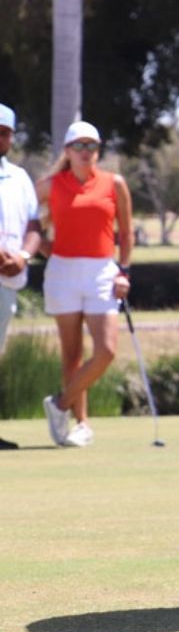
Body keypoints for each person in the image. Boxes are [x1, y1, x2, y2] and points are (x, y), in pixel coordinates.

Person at [35, 121, 132, 449]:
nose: (87, 152)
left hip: (102, 271)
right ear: (67, 151)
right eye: (80, 146)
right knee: (72, 354)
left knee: (105, 351)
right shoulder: (49, 185)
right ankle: (81, 424)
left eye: (92, 145)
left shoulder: (113, 183)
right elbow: (30, 221)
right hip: (62, 271)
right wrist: (44, 249)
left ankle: (60, 404)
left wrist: (124, 271)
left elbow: (127, 232)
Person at [0, 103, 41, 450]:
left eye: (3, 131)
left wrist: (24, 255)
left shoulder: (19, 178)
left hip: (7, 280)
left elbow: (34, 226)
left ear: (11, 137)